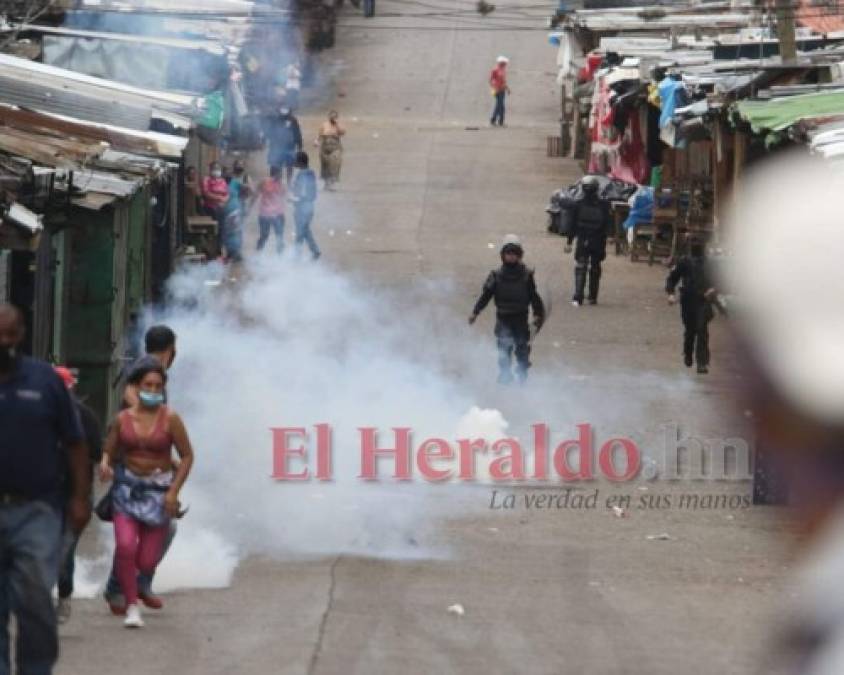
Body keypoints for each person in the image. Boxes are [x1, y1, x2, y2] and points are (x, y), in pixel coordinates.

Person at [0, 303, 91, 674]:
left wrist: (80, 499)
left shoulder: (44, 382)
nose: (3, 342)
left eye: (9, 334)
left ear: (21, 336)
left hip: (36, 509)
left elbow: (76, 442)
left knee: (35, 598)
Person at [99, 361, 194, 629]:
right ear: (137, 388)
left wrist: (174, 492)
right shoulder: (123, 419)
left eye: (158, 386)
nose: (153, 390)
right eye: (148, 385)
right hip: (127, 492)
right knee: (126, 546)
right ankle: (131, 605)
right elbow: (110, 447)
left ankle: (138, 584)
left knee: (146, 559)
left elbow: (187, 455)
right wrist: (105, 462)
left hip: (159, 495)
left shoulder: (171, 419)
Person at [54, 366, 102, 625]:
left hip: (75, 495)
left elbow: (95, 453)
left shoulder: (85, 418)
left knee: (64, 549)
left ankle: (63, 596)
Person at [469, 235, 545, 384]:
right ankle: (505, 374)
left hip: (520, 318)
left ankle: (522, 373)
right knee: (504, 349)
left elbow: (533, 296)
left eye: (514, 253)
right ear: (502, 255)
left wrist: (538, 313)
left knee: (522, 348)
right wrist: (475, 312)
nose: (511, 257)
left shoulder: (526, 276)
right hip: (503, 318)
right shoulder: (496, 276)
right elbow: (486, 296)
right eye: (508, 253)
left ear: (519, 255)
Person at [665, 238, 716, 374]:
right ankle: (688, 352)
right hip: (687, 301)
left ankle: (702, 363)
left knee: (702, 330)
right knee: (690, 331)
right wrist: (670, 293)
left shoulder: (710, 263)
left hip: (703, 301)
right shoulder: (684, 262)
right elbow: (672, 279)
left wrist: (713, 290)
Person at [565, 175, 609, 306]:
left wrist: (569, 241)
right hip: (597, 240)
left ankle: (578, 296)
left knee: (581, 266)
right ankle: (592, 296)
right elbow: (607, 226)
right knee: (595, 267)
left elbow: (572, 225)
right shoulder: (604, 205)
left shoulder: (578, 204)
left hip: (584, 239)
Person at [290, 151, 321, 260]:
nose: (293, 161)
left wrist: (293, 199)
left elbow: (302, 193)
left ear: (300, 162)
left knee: (300, 232)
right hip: (309, 207)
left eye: (295, 160)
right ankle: (315, 250)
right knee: (305, 230)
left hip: (302, 208)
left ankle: (297, 256)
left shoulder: (302, 174)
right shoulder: (311, 173)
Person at [266, 106, 303, 185]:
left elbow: (297, 133)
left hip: (290, 147)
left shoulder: (293, 120)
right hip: (277, 147)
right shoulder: (275, 120)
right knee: (277, 165)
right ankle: (277, 183)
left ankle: (289, 183)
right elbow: (270, 132)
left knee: (290, 165)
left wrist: (300, 145)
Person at [222, 161, 249, 263]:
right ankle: (230, 252)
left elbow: (248, 189)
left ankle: (236, 253)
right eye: (225, 173)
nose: (227, 175)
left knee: (235, 231)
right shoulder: (220, 183)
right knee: (227, 232)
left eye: (229, 173)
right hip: (224, 211)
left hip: (235, 210)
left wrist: (244, 191)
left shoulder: (235, 182)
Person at [256, 165, 287, 253]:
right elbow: (255, 194)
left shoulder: (282, 183)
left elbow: (285, 196)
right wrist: (248, 208)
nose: (281, 175)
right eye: (280, 173)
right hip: (265, 214)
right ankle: (258, 255)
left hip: (277, 214)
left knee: (279, 237)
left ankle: (280, 258)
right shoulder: (264, 182)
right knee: (265, 236)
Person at [201, 161, 229, 255]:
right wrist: (219, 198)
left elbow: (227, 194)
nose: (216, 170)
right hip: (210, 209)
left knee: (222, 230)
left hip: (221, 209)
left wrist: (224, 200)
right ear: (210, 169)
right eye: (215, 168)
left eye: (218, 169)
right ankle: (209, 251)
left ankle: (219, 251)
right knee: (212, 231)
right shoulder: (206, 179)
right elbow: (206, 193)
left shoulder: (222, 181)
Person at [317, 111, 345, 191]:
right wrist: (317, 142)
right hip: (325, 145)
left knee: (335, 164)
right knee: (325, 165)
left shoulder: (338, 125)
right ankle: (326, 184)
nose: (333, 118)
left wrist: (337, 125)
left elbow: (342, 132)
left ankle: (331, 183)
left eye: (334, 117)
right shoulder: (324, 125)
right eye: (331, 116)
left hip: (335, 146)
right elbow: (320, 135)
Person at [489, 55, 510, 127]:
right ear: (501, 63)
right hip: (497, 90)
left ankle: (498, 121)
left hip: (502, 90)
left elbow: (504, 81)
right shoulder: (495, 70)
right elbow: (491, 80)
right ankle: (495, 120)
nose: (505, 64)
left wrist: (507, 88)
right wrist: (494, 87)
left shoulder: (503, 70)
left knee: (500, 106)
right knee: (500, 106)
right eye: (504, 63)